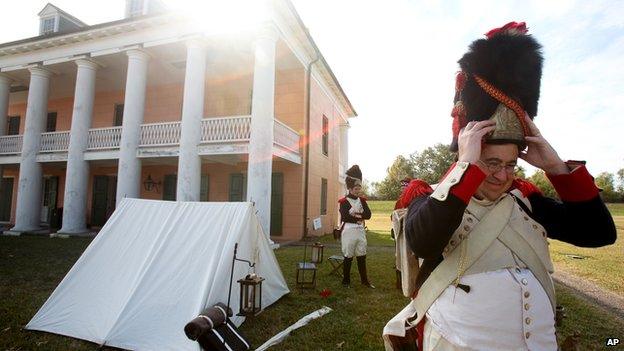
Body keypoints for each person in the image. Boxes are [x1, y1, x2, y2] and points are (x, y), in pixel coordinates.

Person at [383, 21, 616, 350]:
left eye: (510, 164)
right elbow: (424, 241)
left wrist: (556, 167)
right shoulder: (430, 195)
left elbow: (598, 232)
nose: (502, 175)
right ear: (467, 154)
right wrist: (465, 168)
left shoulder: (525, 199)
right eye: (490, 163)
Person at [339, 165, 374, 288]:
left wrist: (355, 214)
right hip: (348, 231)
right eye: (355, 188)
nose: (358, 190)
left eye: (359, 187)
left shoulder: (362, 201)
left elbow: (368, 215)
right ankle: (346, 281)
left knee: (361, 255)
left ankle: (364, 280)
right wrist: (361, 216)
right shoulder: (343, 202)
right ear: (350, 188)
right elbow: (345, 217)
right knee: (348, 256)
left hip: (360, 231)